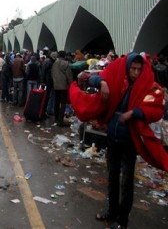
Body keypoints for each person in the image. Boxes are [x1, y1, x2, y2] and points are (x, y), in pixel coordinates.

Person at [70, 52, 167, 229]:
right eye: (133, 68)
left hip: (130, 140)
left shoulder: (148, 86)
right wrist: (102, 82)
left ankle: (123, 221)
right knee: (112, 177)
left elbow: (157, 109)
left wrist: (134, 113)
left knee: (126, 181)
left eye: (139, 69)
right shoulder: (117, 78)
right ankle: (111, 211)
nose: (136, 72)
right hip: (113, 137)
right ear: (127, 66)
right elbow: (89, 78)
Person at [52, 50, 73, 126]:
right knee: (63, 103)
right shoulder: (66, 63)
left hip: (56, 85)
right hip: (64, 86)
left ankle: (56, 119)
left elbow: (52, 74)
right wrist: (71, 84)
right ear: (64, 56)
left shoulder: (54, 63)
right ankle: (60, 121)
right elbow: (69, 76)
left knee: (56, 102)